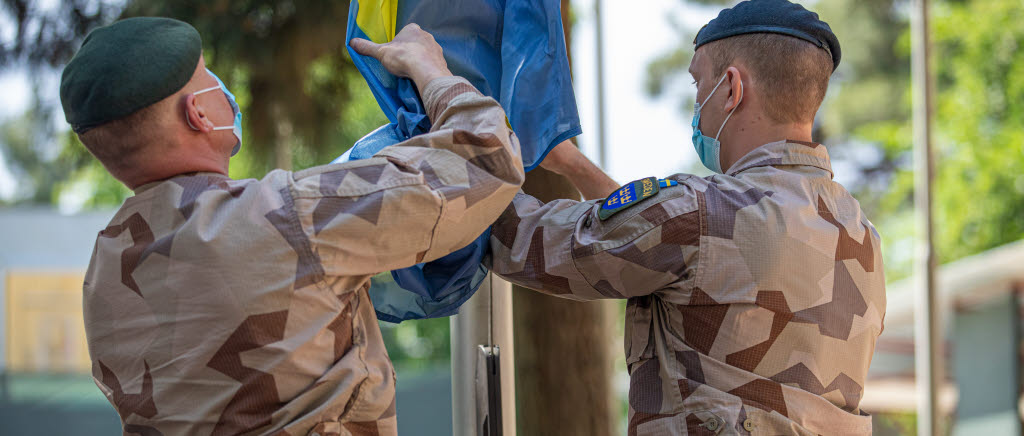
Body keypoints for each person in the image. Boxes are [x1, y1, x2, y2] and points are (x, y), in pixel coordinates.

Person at [60, 17, 524, 435]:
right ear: (198, 114)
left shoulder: (103, 273)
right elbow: (486, 161)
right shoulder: (284, 214)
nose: (225, 91)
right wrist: (431, 70)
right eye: (211, 79)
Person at [489, 0, 885, 434]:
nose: (696, 104)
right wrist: (574, 167)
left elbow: (520, 240)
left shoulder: (698, 214)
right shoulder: (861, 238)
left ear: (731, 88)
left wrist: (449, 107)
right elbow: (651, 245)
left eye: (699, 84)